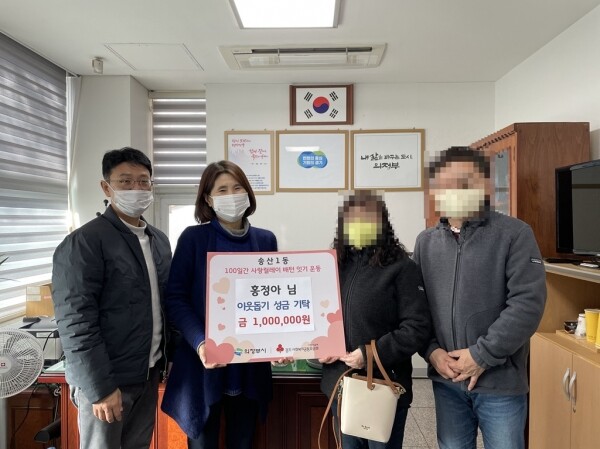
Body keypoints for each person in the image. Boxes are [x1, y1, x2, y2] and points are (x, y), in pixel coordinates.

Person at [413, 147, 547, 449]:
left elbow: (527, 304)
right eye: (446, 184)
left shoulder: (514, 234)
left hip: (499, 381)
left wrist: (481, 356)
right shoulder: (426, 243)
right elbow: (416, 308)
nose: (455, 191)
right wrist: (432, 352)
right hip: (447, 378)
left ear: (484, 185)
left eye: (464, 182)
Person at [52, 147, 172, 449]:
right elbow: (76, 321)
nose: (136, 188)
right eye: (125, 181)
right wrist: (100, 388)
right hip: (107, 381)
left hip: (146, 375)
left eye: (143, 181)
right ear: (107, 187)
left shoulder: (158, 240)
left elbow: (164, 305)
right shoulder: (85, 242)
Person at [161, 160, 278, 449]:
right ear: (208, 199)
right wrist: (201, 342)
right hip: (202, 367)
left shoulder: (265, 240)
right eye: (222, 190)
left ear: (248, 193)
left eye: (237, 188)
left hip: (249, 369)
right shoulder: (193, 239)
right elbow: (175, 298)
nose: (232, 195)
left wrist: (281, 342)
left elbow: (274, 301)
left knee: (243, 442)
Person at [319, 190, 431, 449]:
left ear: (383, 223)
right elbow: (321, 317)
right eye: (352, 219)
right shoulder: (333, 264)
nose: (359, 225)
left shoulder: (402, 267)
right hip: (341, 386)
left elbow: (417, 327)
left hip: (383, 387)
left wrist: (369, 354)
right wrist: (321, 347)